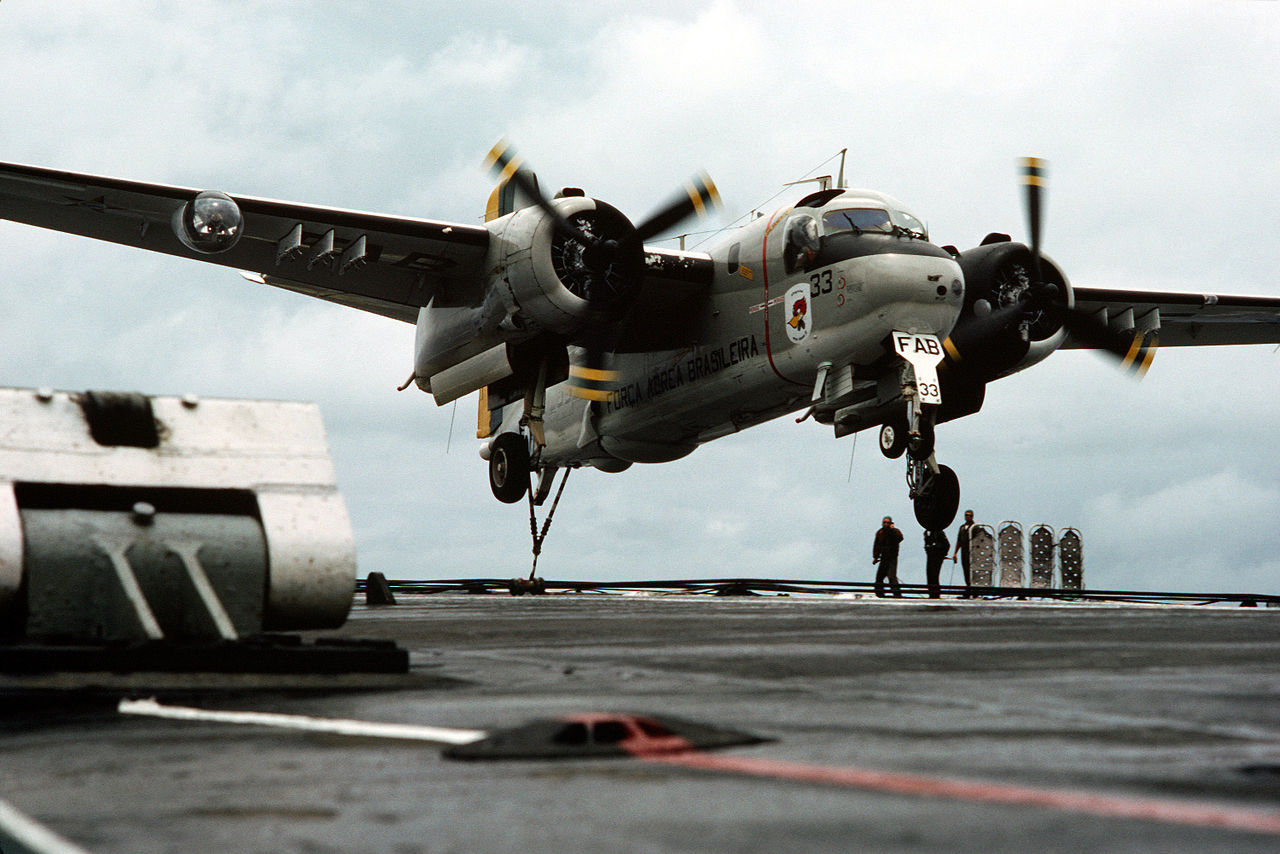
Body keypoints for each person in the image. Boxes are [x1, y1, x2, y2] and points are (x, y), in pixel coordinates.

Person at [872, 516, 904, 598]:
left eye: (887, 522)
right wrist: (875, 557)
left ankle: (897, 595)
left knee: (891, 577)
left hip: (892, 557)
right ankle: (879, 594)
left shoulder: (895, 531)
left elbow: (900, 538)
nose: (885, 524)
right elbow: (876, 545)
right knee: (879, 577)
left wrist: (892, 529)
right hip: (884, 557)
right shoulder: (880, 532)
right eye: (884, 522)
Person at [951, 509, 976, 597]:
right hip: (964, 551)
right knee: (965, 570)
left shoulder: (975, 527)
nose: (967, 517)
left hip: (972, 552)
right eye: (966, 515)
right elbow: (959, 541)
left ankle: (973, 590)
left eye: (969, 515)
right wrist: (955, 553)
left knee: (971, 570)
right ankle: (968, 588)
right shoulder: (962, 527)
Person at [923, 528, 950, 599]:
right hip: (930, 556)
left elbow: (947, 545)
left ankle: (935, 594)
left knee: (934, 575)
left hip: (937, 557)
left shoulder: (939, 533)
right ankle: (931, 594)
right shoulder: (927, 533)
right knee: (930, 575)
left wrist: (941, 554)